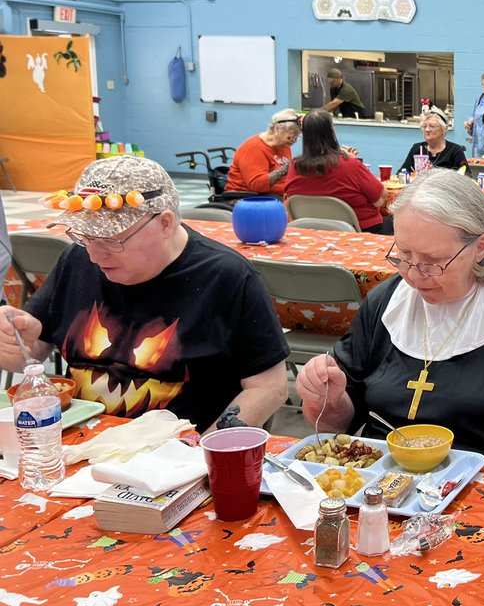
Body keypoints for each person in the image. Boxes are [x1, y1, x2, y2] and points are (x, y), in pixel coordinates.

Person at [294, 169, 484, 475]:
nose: (413, 273)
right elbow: (343, 421)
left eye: (433, 260)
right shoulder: (386, 302)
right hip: (379, 492)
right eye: (403, 253)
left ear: (481, 247)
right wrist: (329, 400)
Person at [0, 157, 288, 433]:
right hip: (80, 443)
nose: (94, 254)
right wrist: (19, 344)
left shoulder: (228, 278)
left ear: (165, 223)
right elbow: (29, 354)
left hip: (176, 456)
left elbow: (269, 387)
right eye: (85, 236)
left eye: (112, 240)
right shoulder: (76, 260)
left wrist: (205, 452)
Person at [285, 110, 391, 234]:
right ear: (331, 132)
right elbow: (380, 199)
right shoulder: (350, 165)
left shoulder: (294, 167)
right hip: (360, 231)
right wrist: (350, 160)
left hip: (312, 231)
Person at [223, 109, 302, 196]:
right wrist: (286, 168)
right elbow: (256, 185)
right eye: (290, 137)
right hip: (248, 197)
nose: (293, 141)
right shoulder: (254, 148)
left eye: (296, 137)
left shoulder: (284, 145)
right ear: (277, 129)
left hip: (277, 194)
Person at [400, 110, 467, 174]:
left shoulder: (455, 151)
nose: (427, 130)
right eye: (424, 126)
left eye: (432, 126)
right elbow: (402, 172)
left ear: (444, 129)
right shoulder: (417, 149)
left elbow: (466, 176)